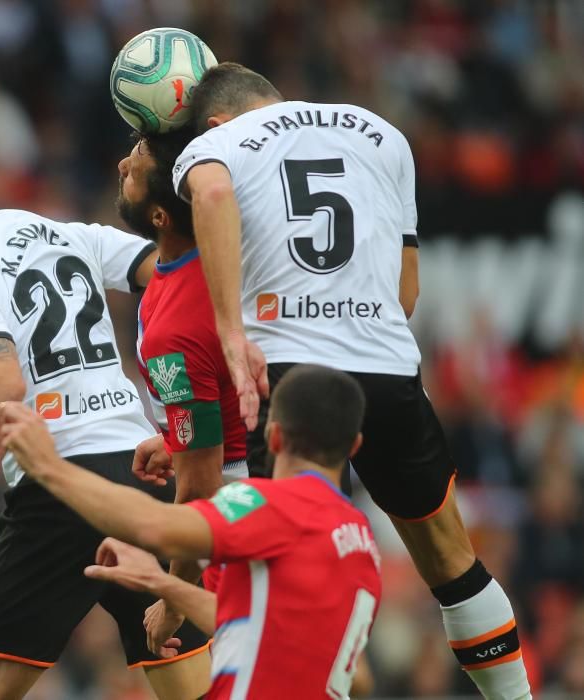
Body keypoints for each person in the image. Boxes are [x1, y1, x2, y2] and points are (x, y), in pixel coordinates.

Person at [171, 62, 531, 699]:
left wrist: (232, 329)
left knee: (271, 562)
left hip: (289, 376)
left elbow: (215, 196)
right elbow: (408, 289)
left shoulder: (216, 146)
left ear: (219, 120)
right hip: (386, 369)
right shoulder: (383, 134)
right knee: (451, 558)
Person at [0, 140, 210, 700]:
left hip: (60, 487)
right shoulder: (64, 233)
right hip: (140, 477)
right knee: (192, 684)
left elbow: (4, 380)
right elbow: (172, 269)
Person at [0, 363, 382, 700]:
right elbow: (350, 672)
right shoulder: (361, 537)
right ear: (355, 445)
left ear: (274, 437)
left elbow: (154, 527)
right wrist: (164, 585)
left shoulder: (271, 506)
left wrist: (49, 467)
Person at [115, 129, 249, 653]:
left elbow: (197, 489)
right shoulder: (215, 267)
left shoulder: (174, 327)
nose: (123, 165)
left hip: (240, 515)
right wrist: (177, 436)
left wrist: (172, 599)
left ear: (160, 217)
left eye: (138, 165)